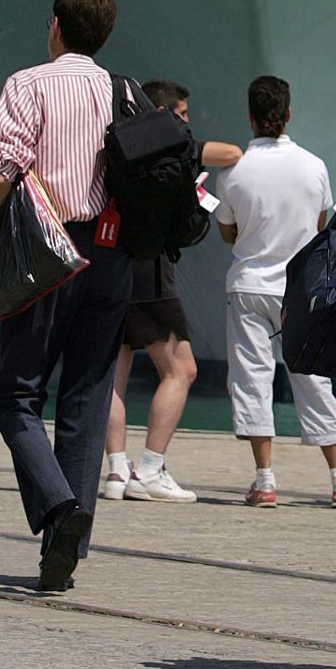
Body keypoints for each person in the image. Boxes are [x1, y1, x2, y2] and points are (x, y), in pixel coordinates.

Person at [0, 0, 131, 591]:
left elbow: (1, 169)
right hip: (112, 254)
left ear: (55, 27)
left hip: (47, 252)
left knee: (13, 394)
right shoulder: (124, 90)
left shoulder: (29, 83)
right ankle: (62, 556)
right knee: (86, 401)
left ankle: (59, 506)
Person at [214, 75, 336, 510]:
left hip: (248, 284)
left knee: (251, 379)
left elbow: (228, 231)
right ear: (288, 113)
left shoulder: (233, 170)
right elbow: (320, 226)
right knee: (315, 378)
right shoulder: (313, 165)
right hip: (299, 287)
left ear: (250, 115)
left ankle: (264, 480)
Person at [102, 79, 243, 503]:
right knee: (182, 370)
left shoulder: (120, 146)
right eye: (182, 113)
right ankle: (150, 468)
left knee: (115, 375)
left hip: (115, 264)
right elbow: (231, 153)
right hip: (153, 270)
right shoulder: (170, 142)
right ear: (165, 113)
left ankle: (115, 471)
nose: (186, 121)